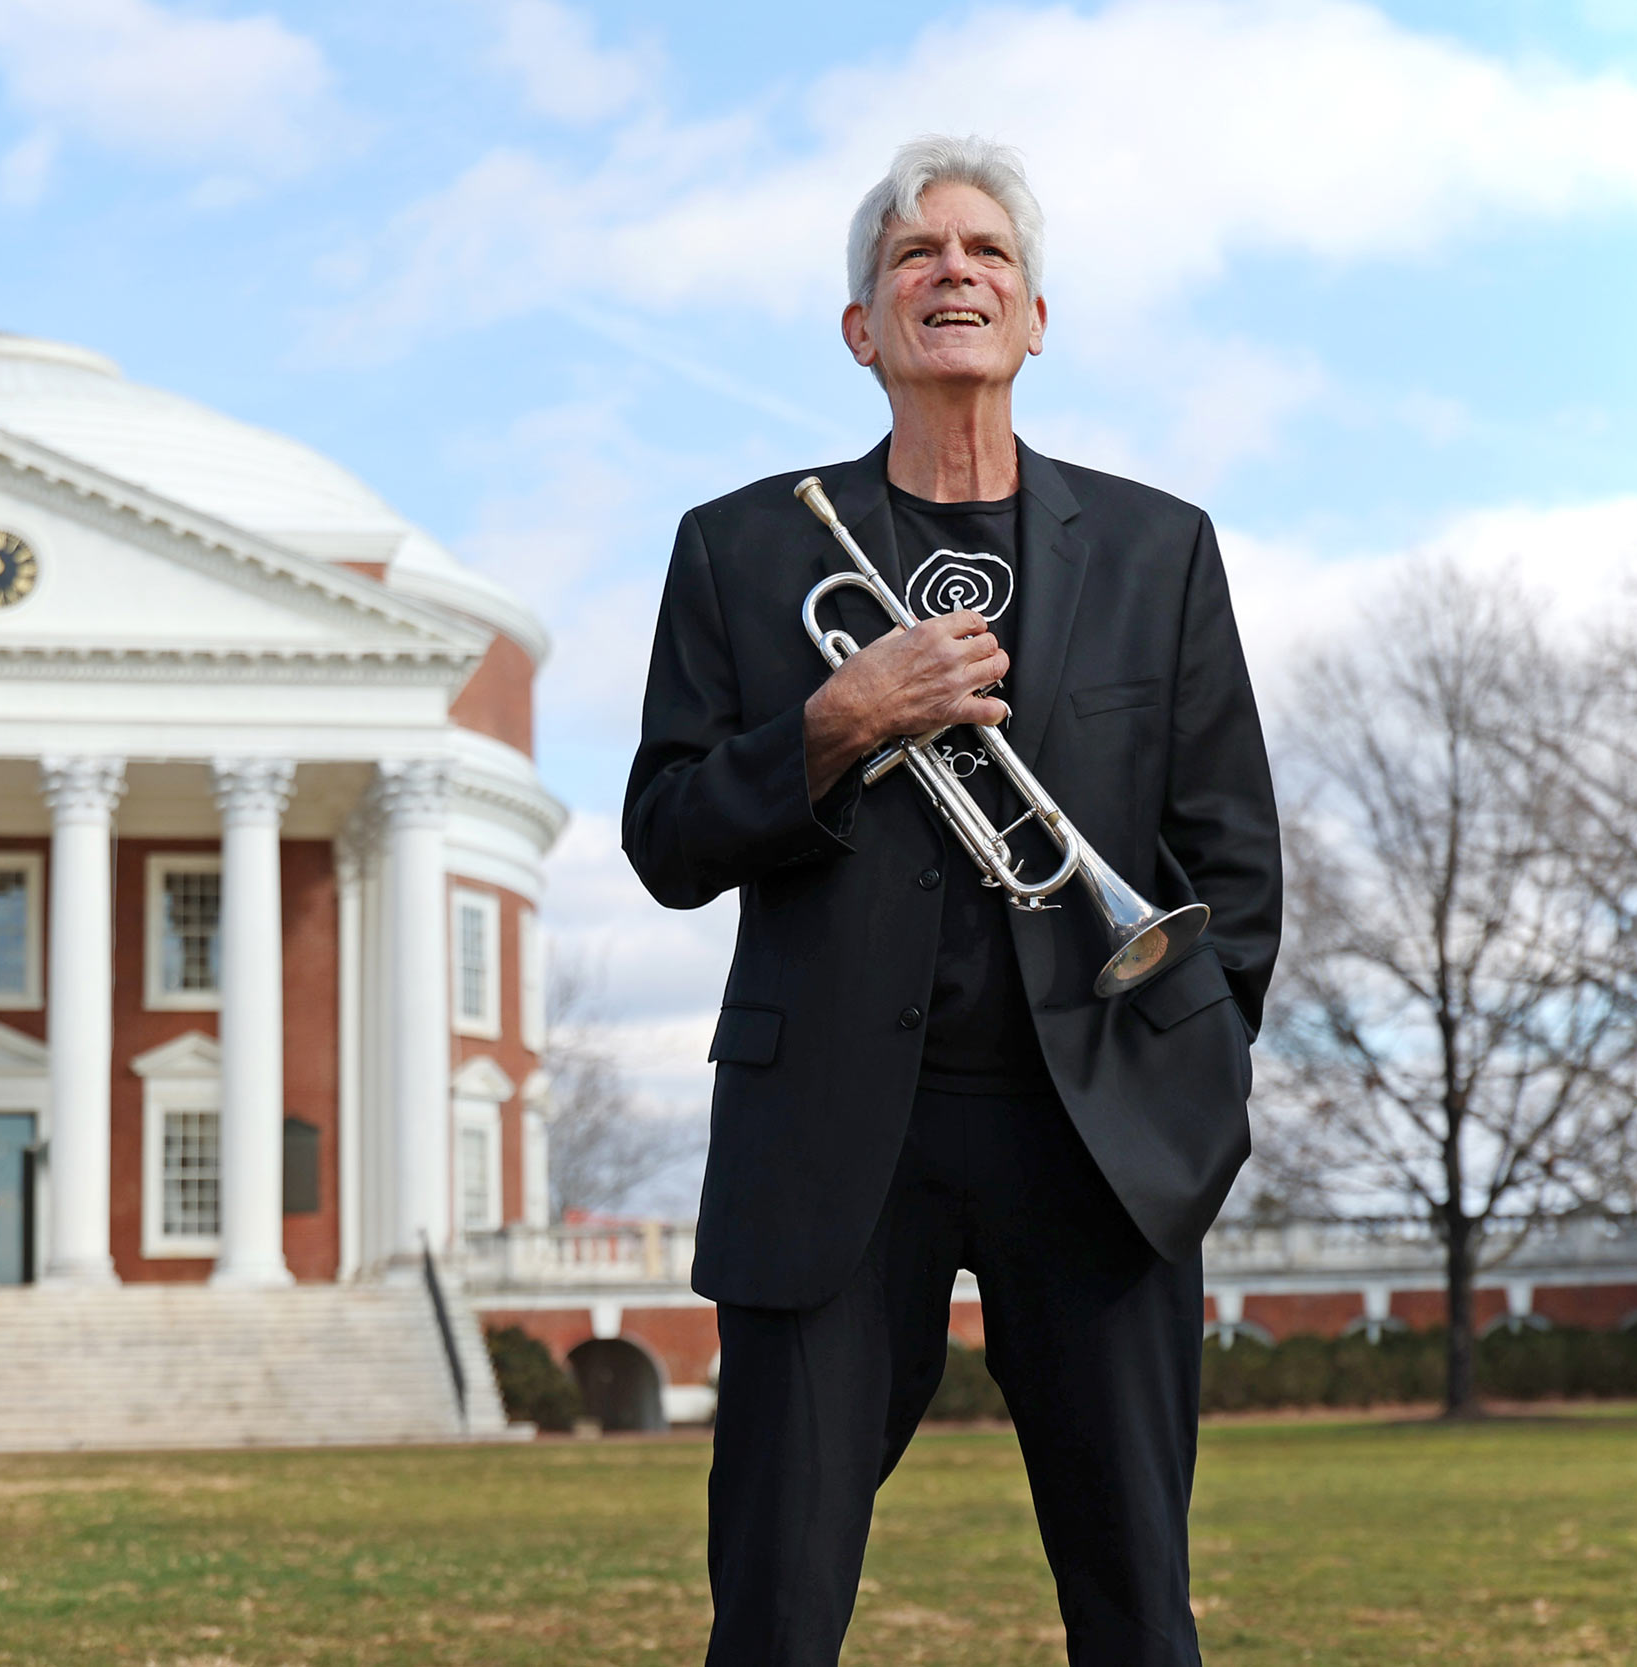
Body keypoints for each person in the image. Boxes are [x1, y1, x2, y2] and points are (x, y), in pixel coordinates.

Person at [622, 135, 1282, 1666]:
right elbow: (665, 838)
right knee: (775, 1611)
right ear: (865, 329)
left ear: (1037, 318)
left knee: (1138, 1606)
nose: (954, 272)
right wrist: (837, 724)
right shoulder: (740, 549)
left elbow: (1231, 864)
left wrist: (1189, 1077)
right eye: (915, 255)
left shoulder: (1155, 547)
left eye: (988, 252)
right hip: (835, 1133)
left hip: (1094, 1127)